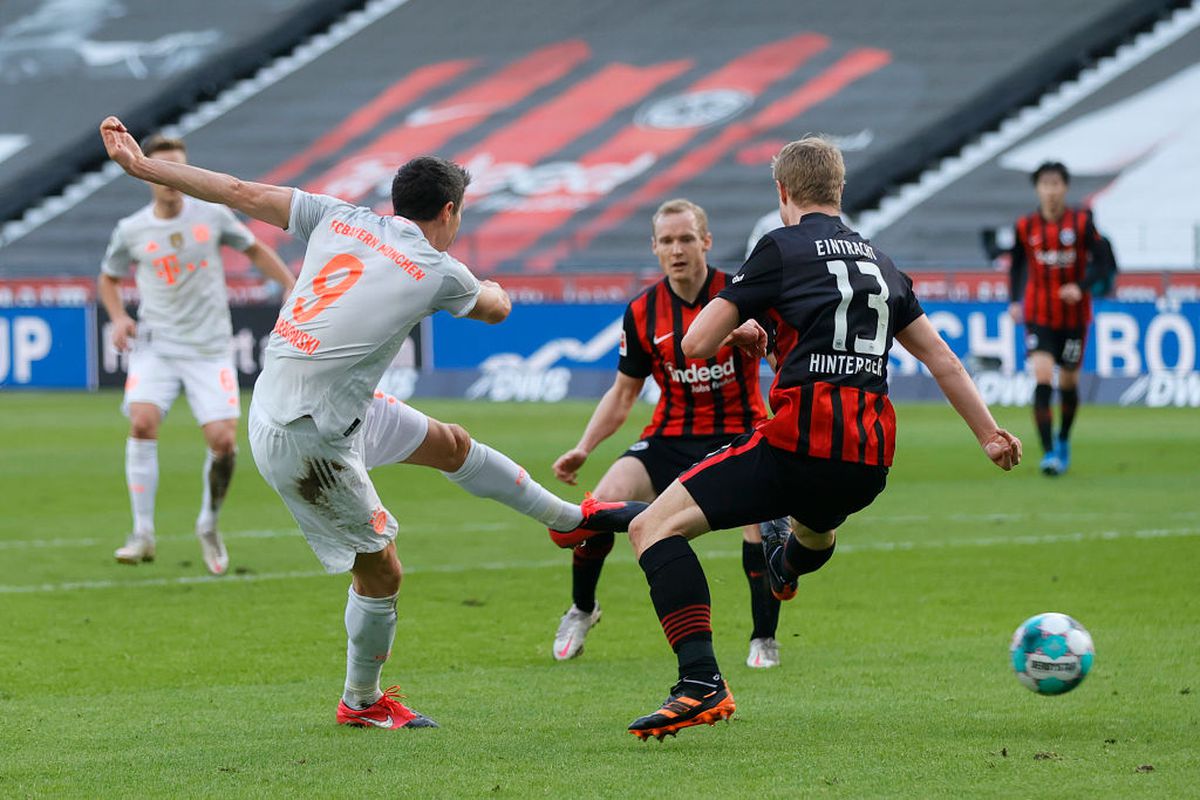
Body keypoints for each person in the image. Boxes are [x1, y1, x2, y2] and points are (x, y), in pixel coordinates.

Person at [99, 116, 644, 731]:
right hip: (306, 438)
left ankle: (569, 523)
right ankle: (361, 701)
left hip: (315, 403)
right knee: (381, 570)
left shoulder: (336, 215)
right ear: (449, 211)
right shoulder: (439, 269)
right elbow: (497, 309)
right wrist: (490, 284)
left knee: (451, 444)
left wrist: (141, 166)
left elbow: (236, 190)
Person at [617, 136, 1022, 740]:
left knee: (651, 527)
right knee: (814, 527)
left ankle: (700, 682)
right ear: (840, 189)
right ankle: (785, 566)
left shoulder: (779, 248)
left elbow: (696, 342)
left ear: (783, 192)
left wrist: (737, 330)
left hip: (799, 443)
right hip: (868, 460)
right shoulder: (882, 262)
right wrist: (989, 435)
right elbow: (943, 359)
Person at [550, 198, 787, 670]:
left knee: (761, 525)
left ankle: (764, 638)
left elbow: (783, 362)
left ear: (706, 242)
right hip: (669, 438)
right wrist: (583, 447)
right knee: (598, 505)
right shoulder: (642, 311)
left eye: (686, 239)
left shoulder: (741, 295)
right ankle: (582, 608)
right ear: (655, 248)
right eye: (667, 241)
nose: (677, 249)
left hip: (738, 432)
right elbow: (624, 393)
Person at [98, 134, 295, 575]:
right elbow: (108, 277)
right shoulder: (131, 229)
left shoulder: (212, 214)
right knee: (142, 421)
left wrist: (289, 284)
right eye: (162, 169)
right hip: (157, 346)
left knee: (223, 443)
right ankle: (142, 532)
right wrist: (118, 317)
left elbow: (254, 248)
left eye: (179, 169)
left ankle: (208, 523)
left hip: (209, 348)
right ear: (147, 173)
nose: (171, 178)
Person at [1008, 161, 1112, 476]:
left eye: (1056, 184)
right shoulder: (1025, 226)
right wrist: (1014, 300)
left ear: (1064, 187)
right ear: (1037, 189)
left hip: (1074, 319)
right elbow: (1017, 264)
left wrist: (1081, 287)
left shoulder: (1081, 223)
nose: (1051, 190)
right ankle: (1049, 453)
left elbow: (1104, 263)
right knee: (1042, 378)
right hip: (1039, 315)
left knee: (1068, 382)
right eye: (1045, 184)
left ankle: (1064, 438)